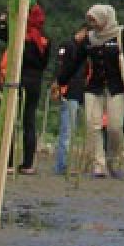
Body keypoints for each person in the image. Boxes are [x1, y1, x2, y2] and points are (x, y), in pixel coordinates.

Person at [58, 4, 124, 178]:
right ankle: (98, 165)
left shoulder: (122, 35)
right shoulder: (89, 39)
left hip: (118, 87)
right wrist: (61, 80)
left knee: (115, 127)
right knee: (92, 125)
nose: (92, 23)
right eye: (90, 20)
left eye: (95, 19)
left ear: (105, 18)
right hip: (94, 87)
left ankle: (112, 160)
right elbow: (75, 61)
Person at [0, 4, 51, 175]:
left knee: (10, 120)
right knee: (29, 122)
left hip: (16, 82)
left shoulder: (18, 36)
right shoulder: (44, 40)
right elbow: (45, 64)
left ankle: (8, 163)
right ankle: (28, 164)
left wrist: (4, 17)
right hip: (35, 84)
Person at [52, 37, 86, 175]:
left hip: (80, 93)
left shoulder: (86, 50)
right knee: (67, 130)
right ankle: (62, 165)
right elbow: (60, 67)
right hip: (69, 94)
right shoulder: (67, 45)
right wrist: (57, 87)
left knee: (71, 130)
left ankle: (64, 164)